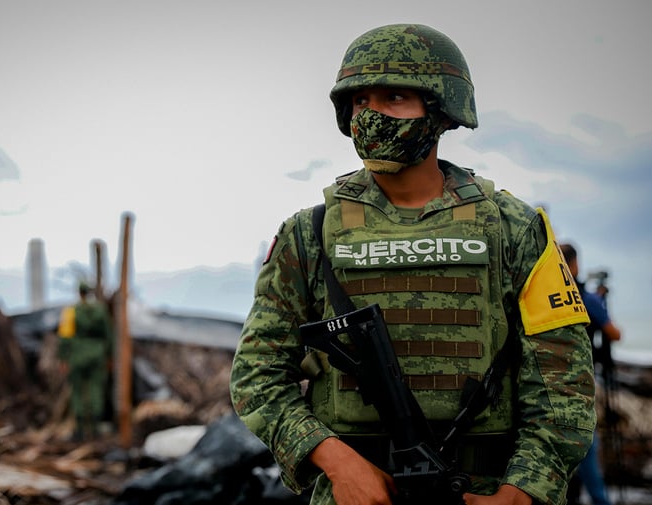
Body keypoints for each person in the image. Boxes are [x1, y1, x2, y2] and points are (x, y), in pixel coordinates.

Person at [229, 23, 596, 505]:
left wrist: (522, 491)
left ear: (442, 109)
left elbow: (564, 384)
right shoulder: (309, 233)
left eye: (395, 97)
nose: (372, 115)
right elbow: (256, 374)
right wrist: (336, 462)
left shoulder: (514, 228)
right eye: (361, 101)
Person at [560, 243, 621, 505]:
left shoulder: (550, 295)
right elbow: (614, 334)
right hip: (582, 385)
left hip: (549, 382)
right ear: (575, 264)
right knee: (588, 448)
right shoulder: (586, 298)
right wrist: (600, 303)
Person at [58, 281, 113, 442]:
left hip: (78, 355)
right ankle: (95, 428)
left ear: (79, 292)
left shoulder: (71, 312)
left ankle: (81, 429)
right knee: (96, 389)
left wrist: (63, 358)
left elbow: (64, 338)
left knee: (78, 392)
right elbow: (109, 335)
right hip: (97, 355)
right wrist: (108, 355)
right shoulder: (100, 310)